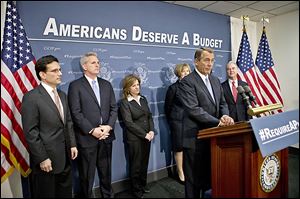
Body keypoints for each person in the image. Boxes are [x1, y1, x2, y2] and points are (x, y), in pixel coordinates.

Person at [177, 48, 234, 198]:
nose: (210, 64)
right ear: (196, 61)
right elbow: (193, 109)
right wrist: (218, 122)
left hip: (214, 139)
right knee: (194, 182)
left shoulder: (215, 80)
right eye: (206, 60)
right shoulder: (187, 82)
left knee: (210, 179)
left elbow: (223, 103)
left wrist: (226, 116)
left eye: (212, 60)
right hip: (195, 139)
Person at [21, 55, 78, 198]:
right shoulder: (31, 97)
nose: (60, 73)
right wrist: (42, 158)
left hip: (66, 158)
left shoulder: (62, 95)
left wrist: (72, 144)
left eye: (60, 70)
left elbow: (68, 122)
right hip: (47, 161)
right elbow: (31, 132)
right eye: (55, 71)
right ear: (42, 74)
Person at [68, 52, 117, 198]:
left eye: (98, 62)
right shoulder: (75, 86)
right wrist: (91, 130)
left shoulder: (106, 84)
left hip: (106, 136)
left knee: (106, 173)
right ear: (84, 66)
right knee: (86, 176)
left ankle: (107, 195)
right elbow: (76, 113)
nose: (97, 65)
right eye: (93, 62)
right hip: (87, 138)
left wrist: (108, 126)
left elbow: (114, 108)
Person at [119, 74, 155, 198]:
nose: (136, 87)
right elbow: (128, 123)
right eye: (133, 85)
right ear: (127, 88)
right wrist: (144, 134)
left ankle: (143, 185)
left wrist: (151, 131)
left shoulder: (143, 99)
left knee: (144, 163)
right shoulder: (124, 103)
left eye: (138, 85)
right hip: (135, 139)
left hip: (147, 137)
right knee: (136, 165)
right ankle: (136, 190)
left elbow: (149, 116)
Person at [164, 63, 191, 183]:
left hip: (191, 122)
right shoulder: (173, 88)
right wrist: (174, 120)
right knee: (179, 148)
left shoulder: (193, 87)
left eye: (188, 71)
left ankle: (189, 170)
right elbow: (167, 107)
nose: (186, 74)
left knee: (190, 147)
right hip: (177, 122)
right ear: (178, 73)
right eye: (183, 71)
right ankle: (180, 172)